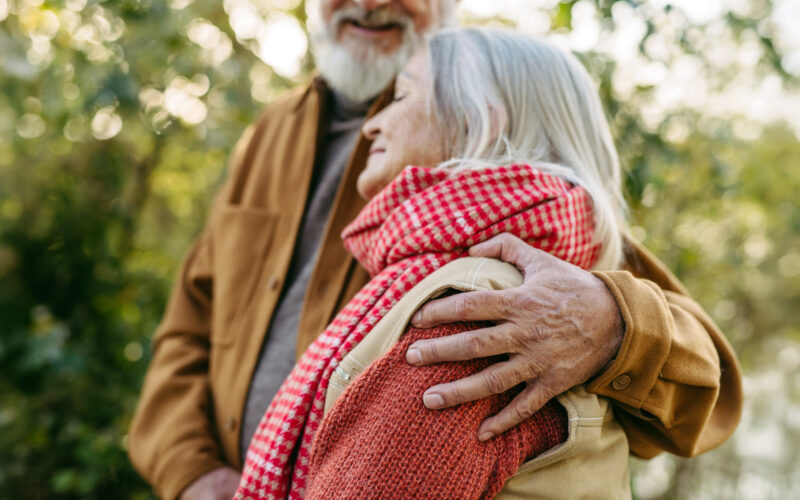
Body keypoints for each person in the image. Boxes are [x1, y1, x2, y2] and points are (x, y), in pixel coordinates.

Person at [127, 1, 742, 499]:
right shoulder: (268, 134)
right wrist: (192, 474)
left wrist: (608, 322)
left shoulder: (499, 164)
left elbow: (700, 370)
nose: (369, 5)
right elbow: (187, 327)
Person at [237, 28, 638, 499]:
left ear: (478, 122)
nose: (372, 125)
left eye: (401, 96)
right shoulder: (538, 279)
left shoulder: (478, 312)